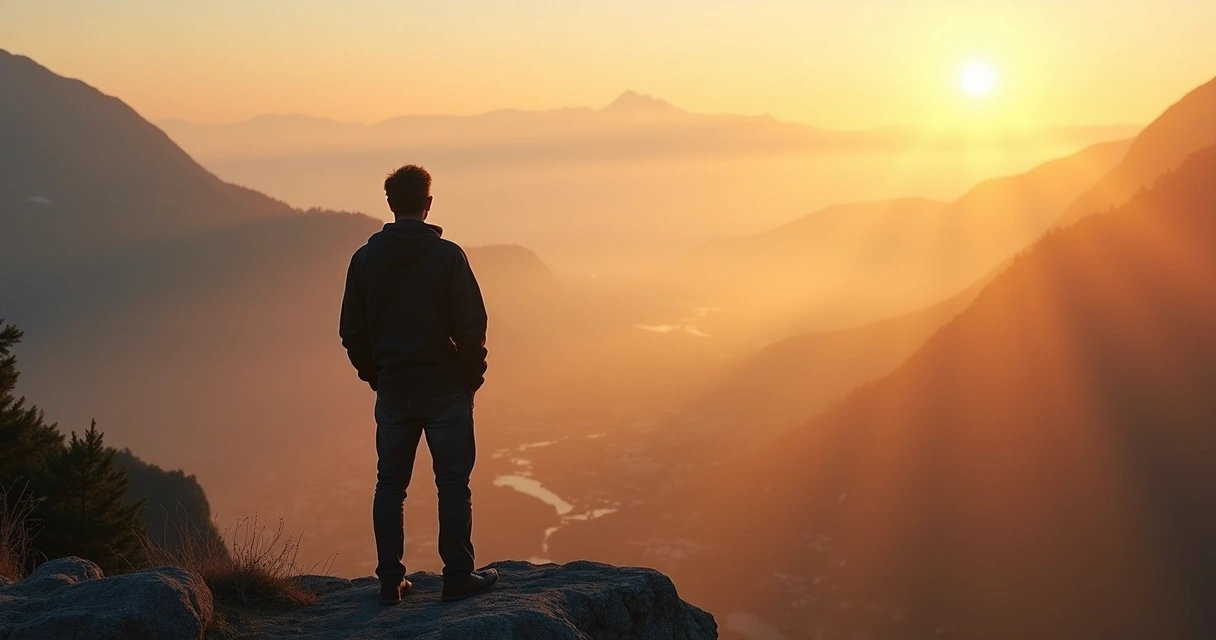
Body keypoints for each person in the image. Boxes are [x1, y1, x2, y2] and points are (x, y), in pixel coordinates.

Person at [339, 164, 498, 605]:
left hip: (394, 389)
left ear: (390, 203)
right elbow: (472, 326)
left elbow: (351, 332)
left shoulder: (365, 260)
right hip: (445, 387)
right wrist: (470, 378)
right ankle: (458, 576)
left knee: (390, 485)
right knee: (452, 483)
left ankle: (390, 582)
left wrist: (376, 374)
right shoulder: (448, 257)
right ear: (428, 203)